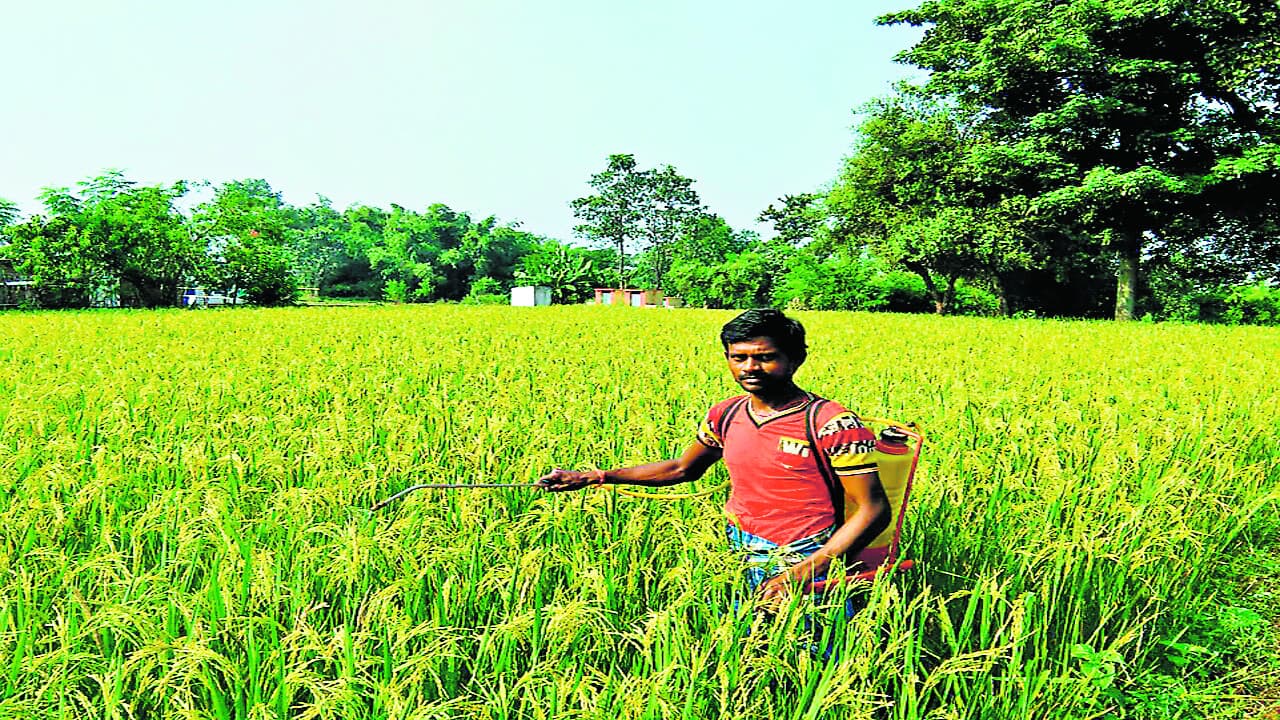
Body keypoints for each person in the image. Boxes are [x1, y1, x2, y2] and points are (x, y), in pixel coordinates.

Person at [537, 309, 891, 606]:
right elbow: (682, 468)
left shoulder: (831, 423)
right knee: (747, 643)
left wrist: (799, 575)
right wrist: (593, 477)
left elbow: (873, 510)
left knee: (810, 649)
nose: (750, 367)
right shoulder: (725, 414)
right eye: (739, 358)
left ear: (796, 358)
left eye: (765, 357)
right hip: (738, 545)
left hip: (806, 551)